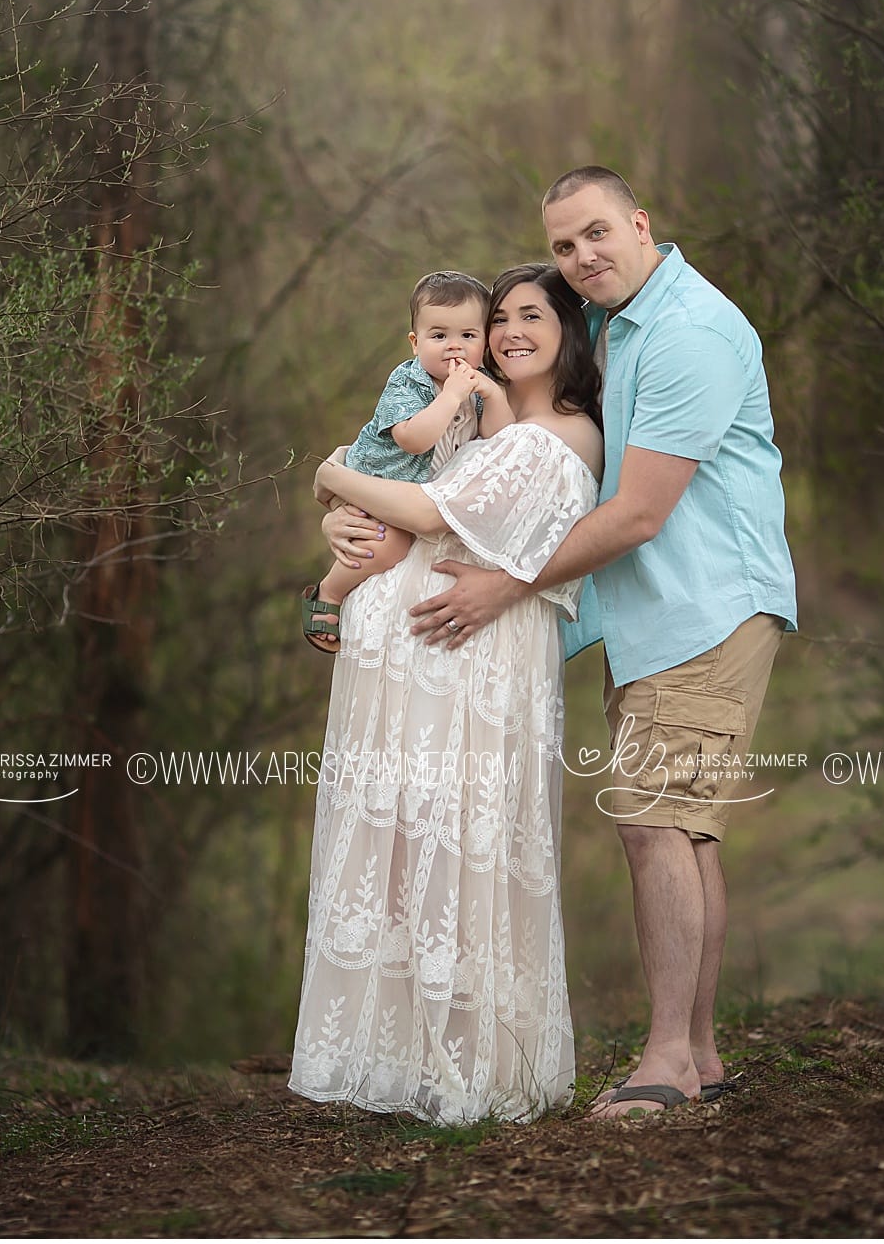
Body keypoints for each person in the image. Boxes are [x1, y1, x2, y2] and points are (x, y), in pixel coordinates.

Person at [399, 167, 798, 1120]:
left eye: (595, 235)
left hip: (706, 604)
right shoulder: (624, 326)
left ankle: (662, 1065)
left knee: (654, 822)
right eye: (566, 244)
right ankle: (696, 1054)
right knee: (685, 828)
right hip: (660, 616)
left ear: (640, 223)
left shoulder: (691, 332)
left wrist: (508, 581)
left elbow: (639, 512)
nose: (582, 257)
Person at [290, 263, 603, 1124]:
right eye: (498, 319)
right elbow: (408, 487)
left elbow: (428, 512)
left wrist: (329, 474)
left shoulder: (560, 435)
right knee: (403, 851)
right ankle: (395, 1059)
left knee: (464, 846)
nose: (505, 334)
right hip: (409, 656)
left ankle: (474, 1064)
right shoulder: (480, 413)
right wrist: (342, 512)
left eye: (530, 317)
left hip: (470, 665)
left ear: (571, 331)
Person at [301, 270, 513, 652]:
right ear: (415, 343)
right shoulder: (407, 382)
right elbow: (413, 440)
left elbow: (500, 440)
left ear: (484, 340)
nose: (454, 347)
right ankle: (329, 590)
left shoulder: (479, 384)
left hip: (418, 493)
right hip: (379, 480)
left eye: (468, 336)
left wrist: (494, 397)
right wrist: (450, 397)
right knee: (387, 545)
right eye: (439, 336)